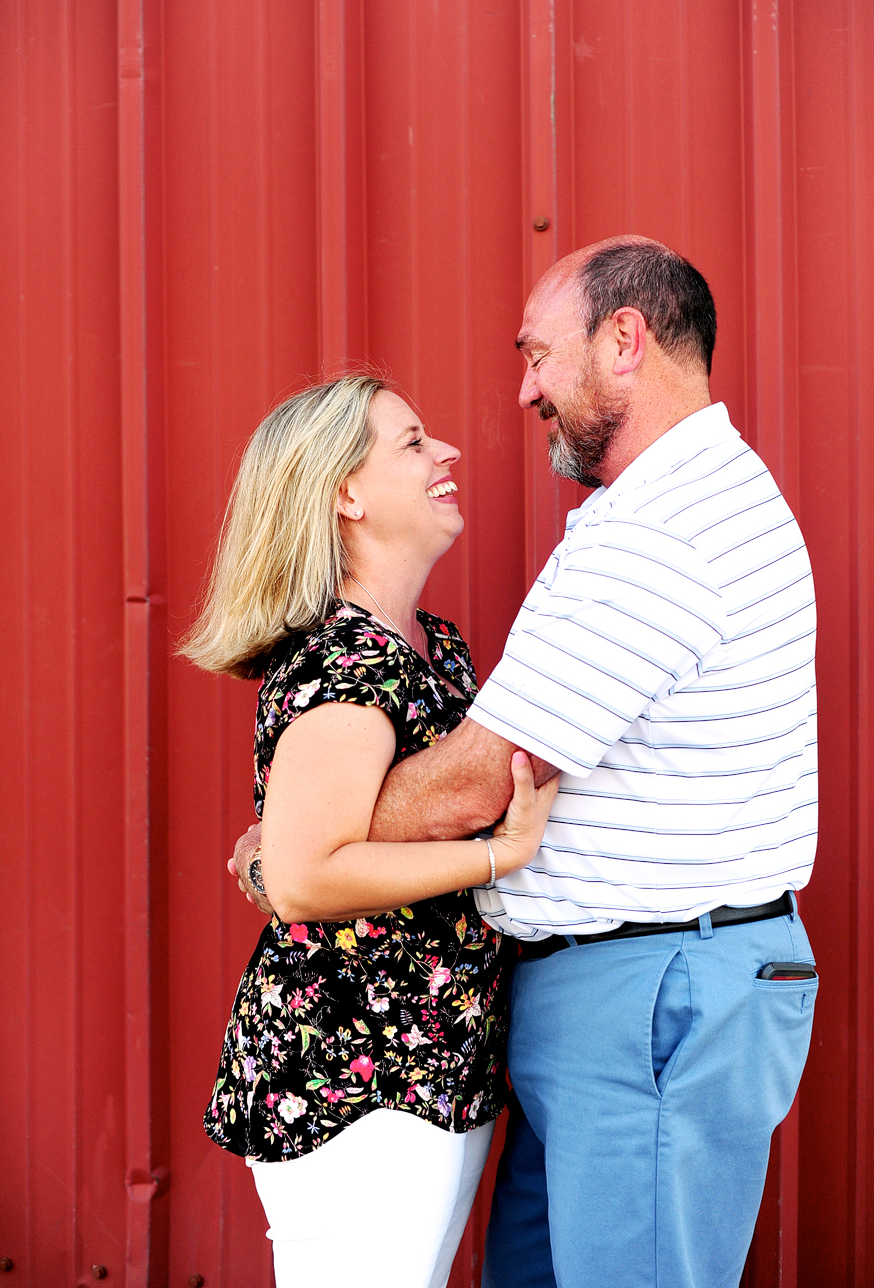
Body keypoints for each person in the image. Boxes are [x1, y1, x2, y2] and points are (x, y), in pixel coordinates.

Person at [237, 238, 818, 1287]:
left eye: (538, 355)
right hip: (619, 1000)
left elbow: (475, 779)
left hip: (653, 991)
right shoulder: (659, 509)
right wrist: (300, 833)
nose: (523, 390)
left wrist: (298, 837)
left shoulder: (666, 528)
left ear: (625, 341)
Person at [181, 374, 559, 1288]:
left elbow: (317, 834)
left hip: (426, 1064)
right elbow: (305, 875)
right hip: (353, 1075)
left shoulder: (429, 644)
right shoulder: (341, 657)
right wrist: (498, 854)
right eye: (413, 442)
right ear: (346, 492)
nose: (448, 454)